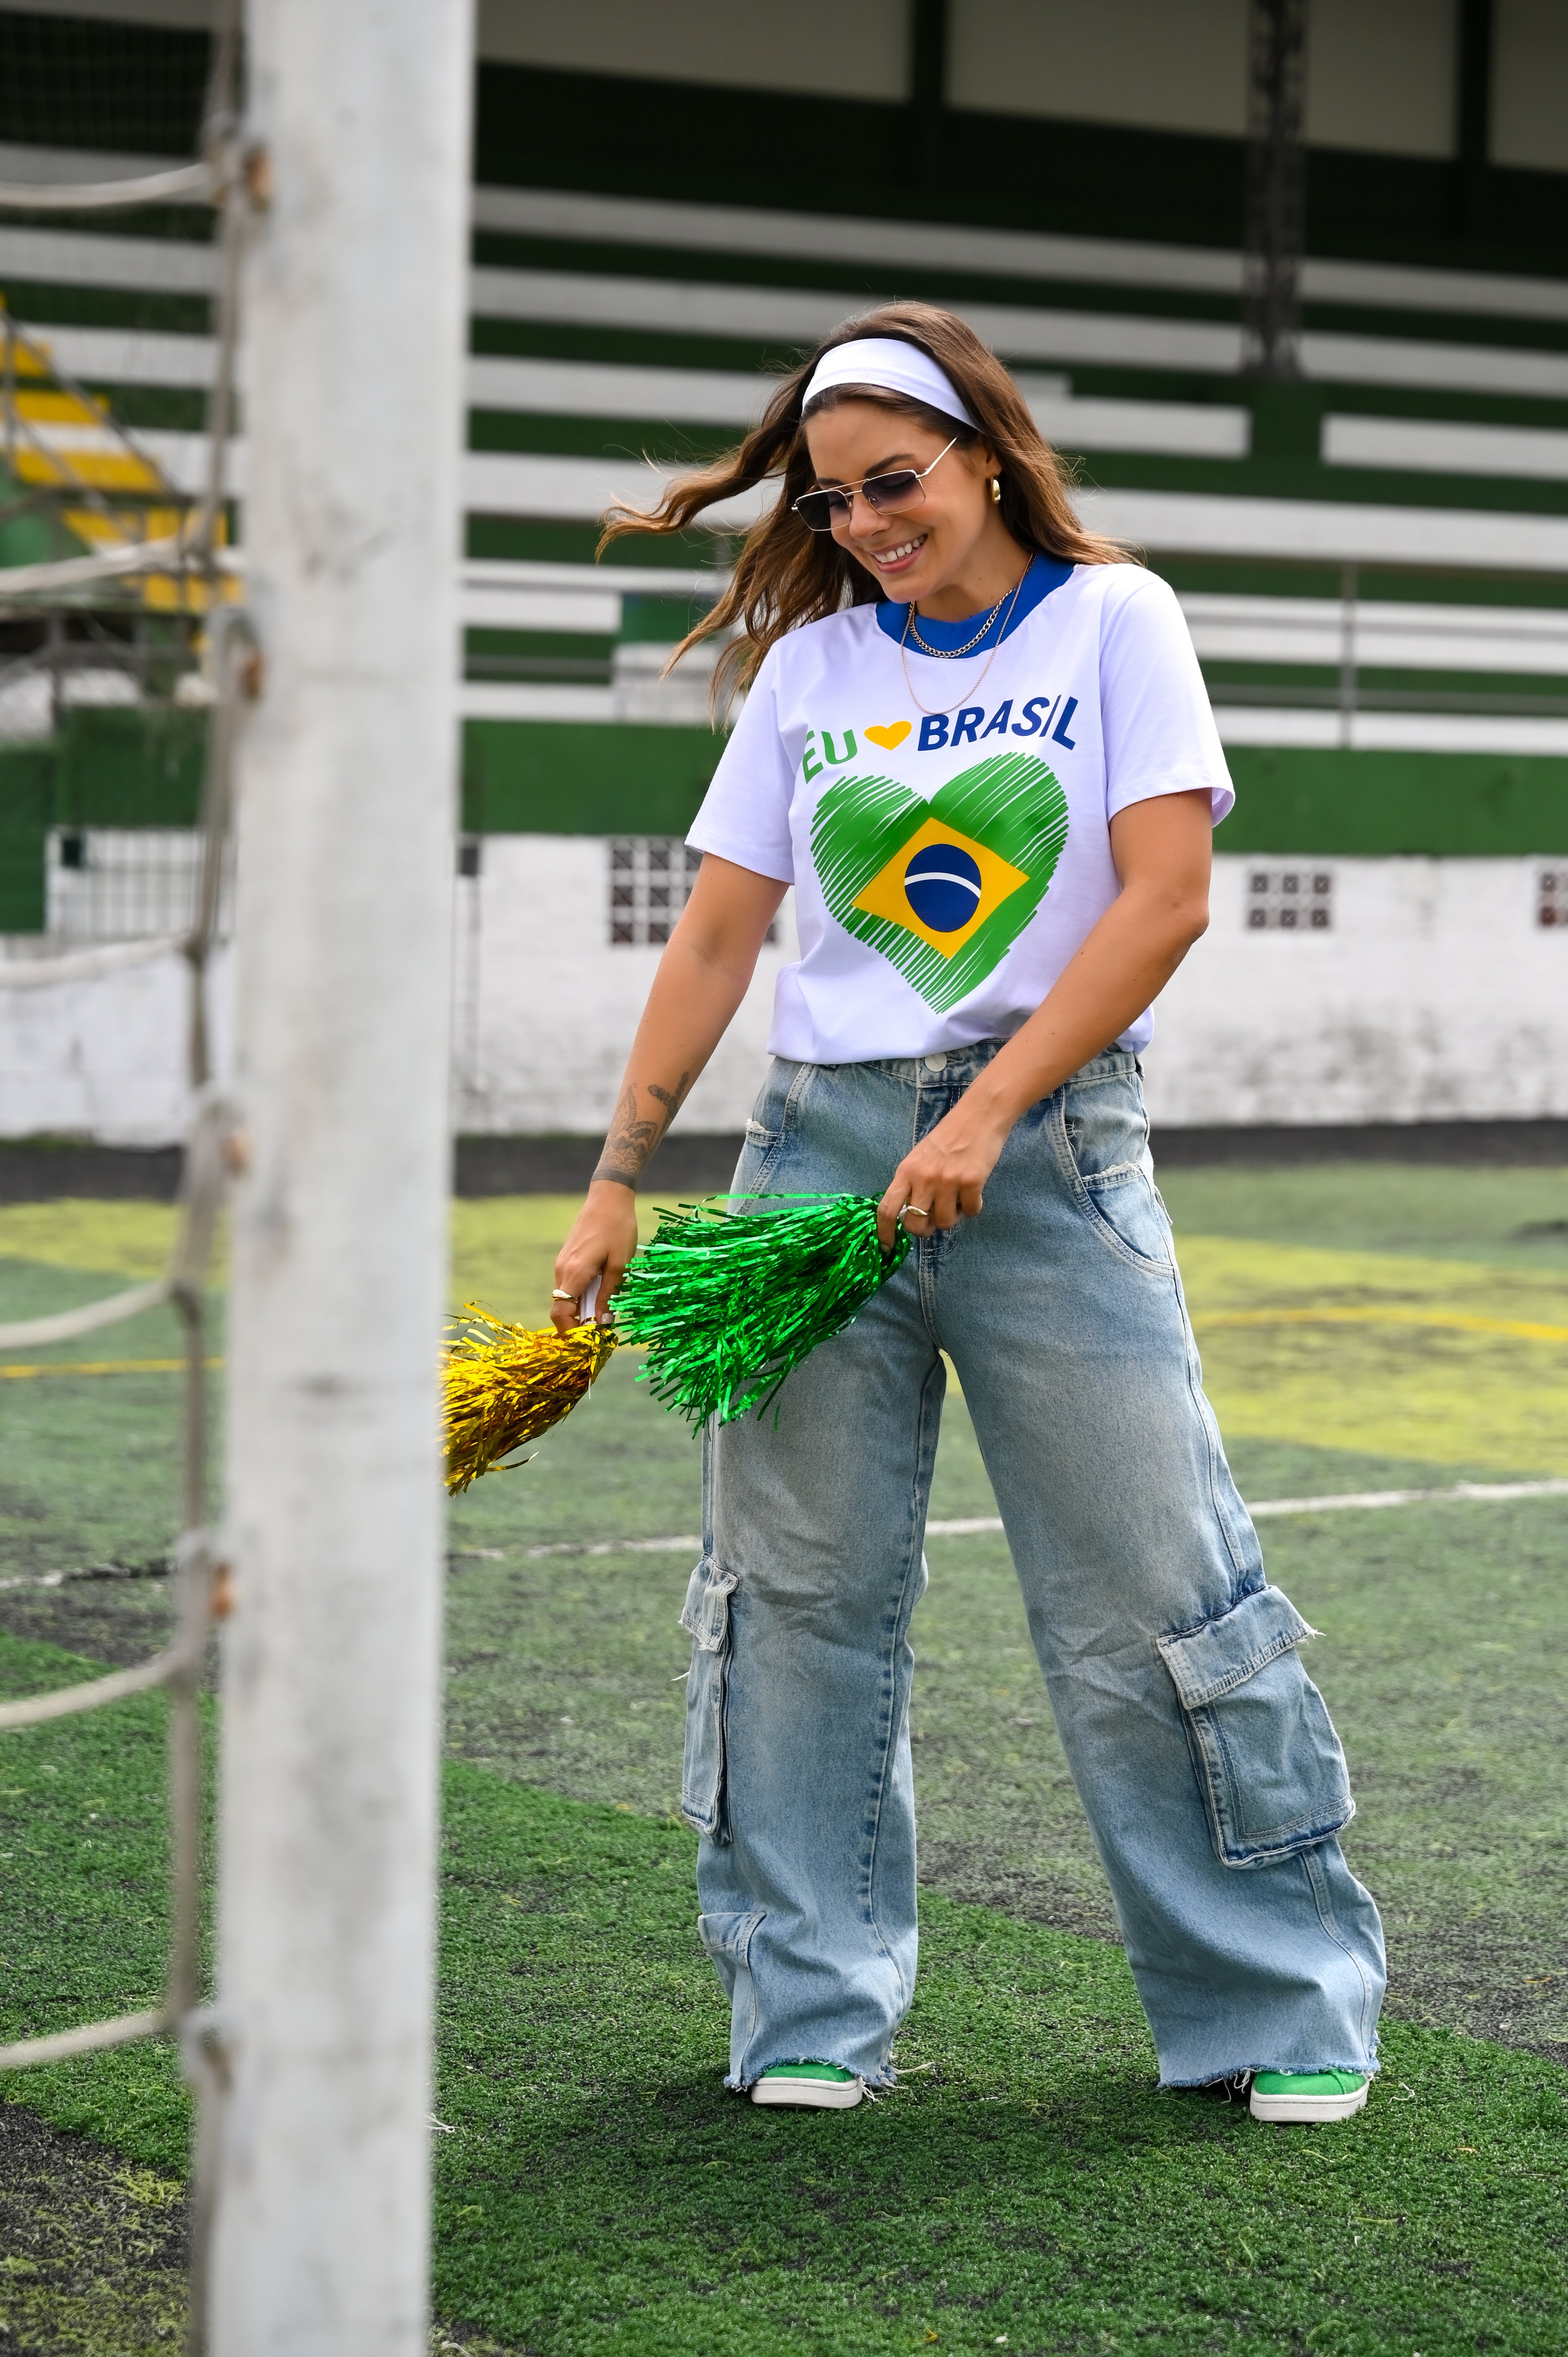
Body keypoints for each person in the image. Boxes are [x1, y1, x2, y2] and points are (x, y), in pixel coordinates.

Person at [550, 303, 1384, 2126]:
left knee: (1147, 1592)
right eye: (832, 498)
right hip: (814, 1167)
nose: (862, 522)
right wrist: (618, 1177)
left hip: (1052, 1157)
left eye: (895, 482)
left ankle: (1273, 2002)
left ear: (986, 457)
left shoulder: (1114, 621)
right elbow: (714, 936)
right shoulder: (809, 676)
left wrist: (991, 1109)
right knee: (793, 1602)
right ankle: (808, 2007)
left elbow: (1162, 901)